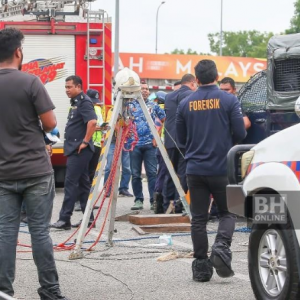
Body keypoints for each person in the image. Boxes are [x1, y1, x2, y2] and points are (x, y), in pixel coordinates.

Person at [0, 28, 68, 299]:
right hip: (36, 171)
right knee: (40, 233)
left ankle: (4, 291)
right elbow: (50, 124)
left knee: (5, 234)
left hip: (3, 173)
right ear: (19, 52)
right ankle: (50, 291)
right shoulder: (31, 82)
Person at [176, 59, 246, 282]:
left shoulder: (185, 103)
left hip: (195, 169)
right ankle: (221, 246)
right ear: (217, 76)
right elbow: (241, 134)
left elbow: (180, 139)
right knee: (228, 212)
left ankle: (201, 268)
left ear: (196, 79)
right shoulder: (229, 100)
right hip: (222, 167)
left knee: (198, 219)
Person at [51, 75, 97, 230]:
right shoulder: (76, 103)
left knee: (70, 184)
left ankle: (64, 219)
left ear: (78, 86)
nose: (67, 90)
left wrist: (84, 141)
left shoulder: (84, 102)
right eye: (65, 87)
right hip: (76, 149)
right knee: (84, 185)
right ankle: (89, 219)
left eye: (69, 87)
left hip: (80, 150)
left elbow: (92, 122)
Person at [128, 82, 166, 210]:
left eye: (146, 89)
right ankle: (138, 200)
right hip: (134, 145)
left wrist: (157, 136)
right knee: (136, 174)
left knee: (152, 173)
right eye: (142, 89)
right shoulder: (130, 105)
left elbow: (163, 119)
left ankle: (153, 201)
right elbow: (121, 121)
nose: (144, 91)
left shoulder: (154, 105)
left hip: (150, 144)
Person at [163, 74, 197, 213]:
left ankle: (166, 205)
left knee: (170, 172)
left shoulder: (168, 97)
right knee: (183, 173)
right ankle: (179, 204)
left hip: (170, 140)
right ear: (192, 83)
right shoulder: (192, 96)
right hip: (185, 141)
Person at [74, 89, 104, 212]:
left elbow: (98, 125)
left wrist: (102, 127)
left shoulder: (97, 109)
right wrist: (98, 127)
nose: (94, 103)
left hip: (96, 144)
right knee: (82, 174)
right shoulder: (79, 108)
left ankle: (88, 200)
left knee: (92, 174)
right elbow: (86, 125)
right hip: (86, 144)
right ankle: (78, 201)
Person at [103, 106, 133, 197]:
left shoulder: (129, 111)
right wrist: (123, 130)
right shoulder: (113, 110)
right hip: (113, 142)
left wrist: (127, 130)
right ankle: (108, 189)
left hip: (125, 142)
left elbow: (130, 123)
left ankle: (123, 188)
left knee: (127, 167)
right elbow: (113, 125)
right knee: (109, 166)